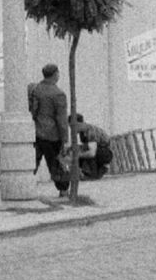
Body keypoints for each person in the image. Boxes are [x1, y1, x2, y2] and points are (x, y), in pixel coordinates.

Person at [27, 62, 69, 195]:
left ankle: (24, 185)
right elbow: (61, 120)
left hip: (35, 132)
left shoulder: (36, 89)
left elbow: (33, 110)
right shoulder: (58, 94)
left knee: (32, 162)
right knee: (55, 164)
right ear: (55, 74)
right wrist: (65, 139)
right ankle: (63, 189)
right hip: (52, 134)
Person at [73, 113, 113, 179]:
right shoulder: (82, 132)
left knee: (85, 153)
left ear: (78, 124)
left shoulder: (90, 131)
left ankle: (93, 173)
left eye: (72, 126)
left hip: (105, 153)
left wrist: (78, 155)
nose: (71, 129)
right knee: (79, 151)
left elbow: (92, 153)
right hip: (99, 151)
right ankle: (97, 172)